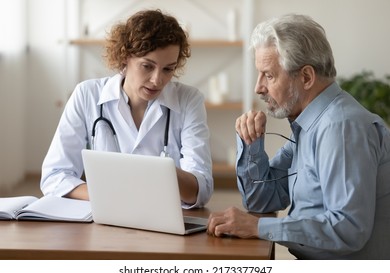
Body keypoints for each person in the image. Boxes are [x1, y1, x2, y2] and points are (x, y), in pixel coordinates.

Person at [207, 14, 390, 259]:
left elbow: (349, 229)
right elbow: (262, 200)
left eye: (269, 75)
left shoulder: (341, 127)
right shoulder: (309, 125)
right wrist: (252, 145)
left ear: (306, 77)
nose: (258, 87)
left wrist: (257, 227)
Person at [40, 9, 213, 209]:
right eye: (147, 66)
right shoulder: (87, 95)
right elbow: (54, 176)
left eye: (168, 69)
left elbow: (202, 190)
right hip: (104, 216)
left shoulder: (189, 100)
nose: (157, 80)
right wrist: (109, 195)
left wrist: (163, 172)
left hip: (161, 219)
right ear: (125, 57)